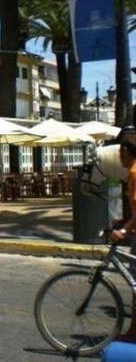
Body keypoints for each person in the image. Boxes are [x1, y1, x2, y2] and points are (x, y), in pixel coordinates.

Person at [110, 131, 136, 341]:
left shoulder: (134, 173)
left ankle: (133, 334)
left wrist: (124, 231)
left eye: (119, 151)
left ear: (125, 150)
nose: (119, 155)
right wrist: (124, 223)